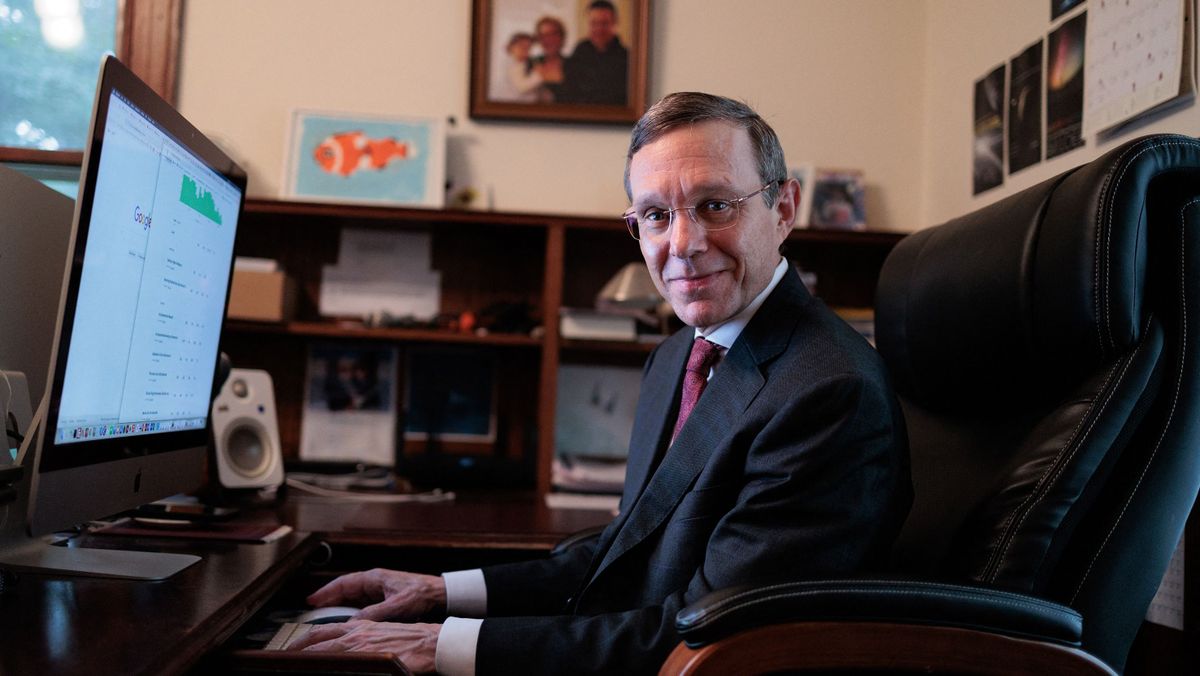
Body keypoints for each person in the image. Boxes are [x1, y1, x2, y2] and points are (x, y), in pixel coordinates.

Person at [289, 92, 912, 675]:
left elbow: (707, 633)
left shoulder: (830, 391)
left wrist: (445, 645)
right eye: (655, 215)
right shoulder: (675, 357)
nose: (683, 244)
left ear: (782, 209)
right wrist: (438, 592)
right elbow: (628, 556)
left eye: (715, 205)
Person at [559, 0, 627, 105]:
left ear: (614, 23)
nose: (599, 29)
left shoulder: (626, 58)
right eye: (594, 23)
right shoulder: (579, 53)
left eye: (604, 23)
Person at [490, 32, 542, 103]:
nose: (525, 51)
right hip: (510, 100)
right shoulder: (511, 64)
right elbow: (522, 87)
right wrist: (540, 74)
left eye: (528, 48)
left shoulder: (524, 62)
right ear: (511, 47)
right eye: (521, 46)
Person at [529, 16, 566, 103]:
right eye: (543, 36)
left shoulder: (574, 65)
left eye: (553, 34)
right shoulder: (530, 63)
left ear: (562, 37)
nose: (548, 40)